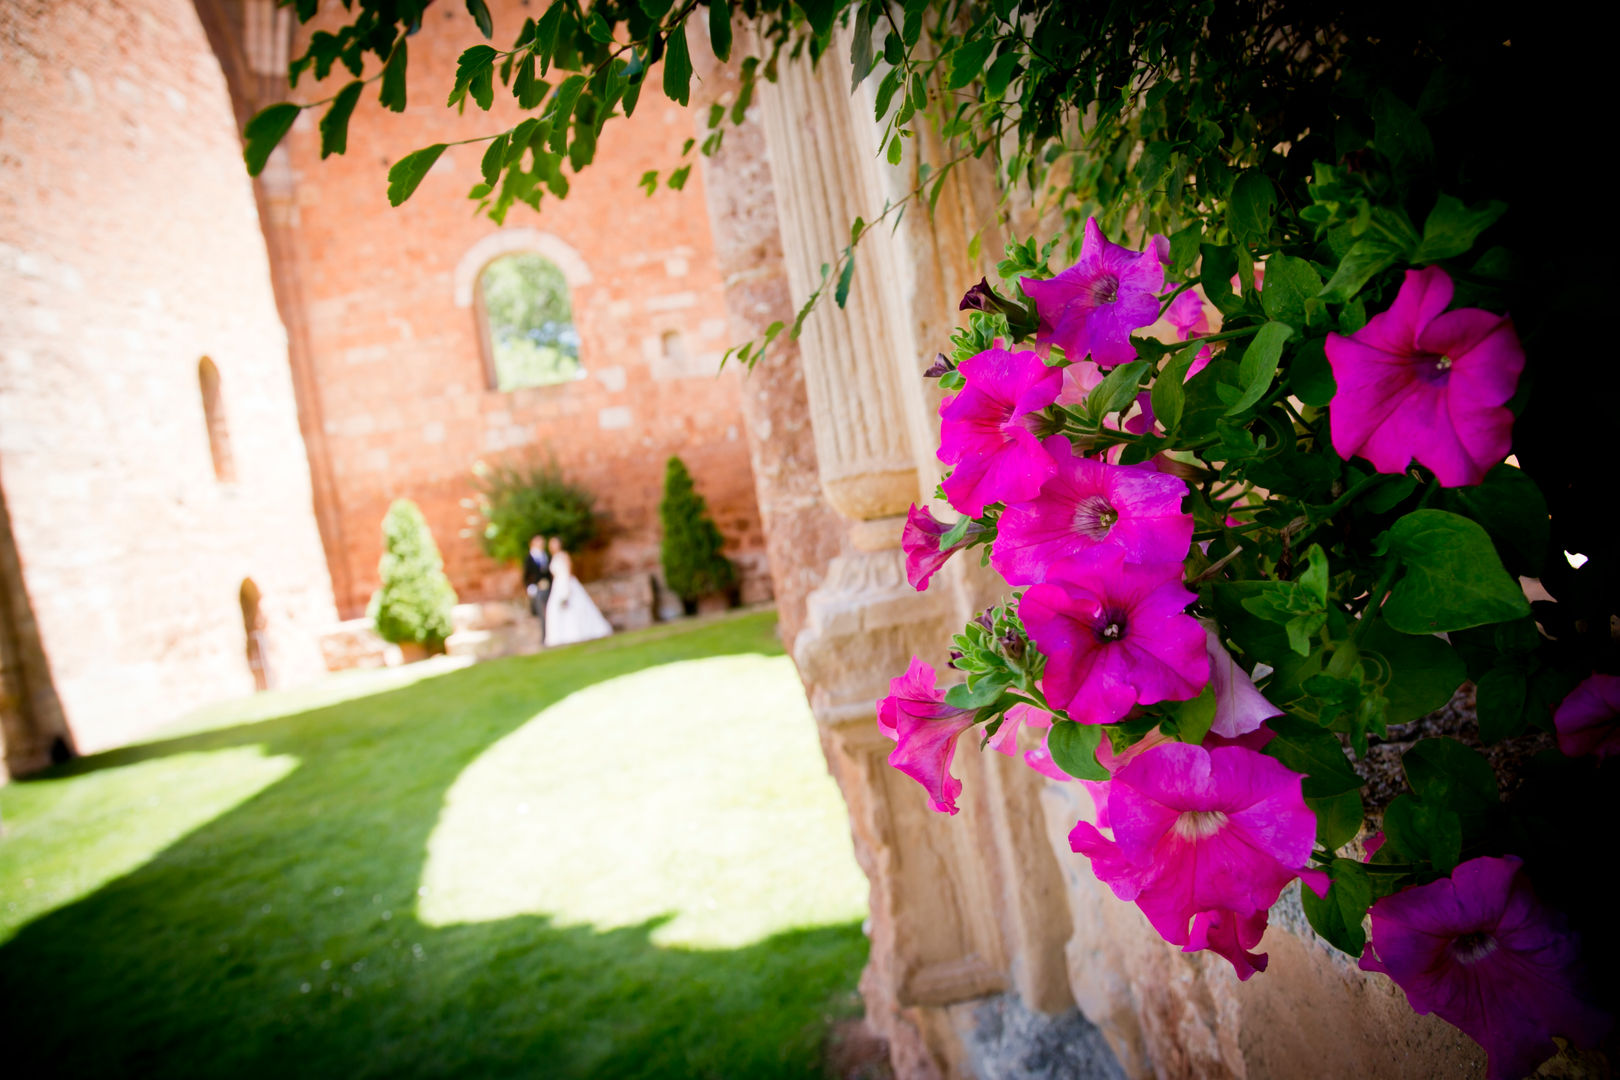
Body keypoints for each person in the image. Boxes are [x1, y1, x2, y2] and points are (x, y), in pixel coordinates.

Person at [544, 536, 612, 646]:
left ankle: (581, 632)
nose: (553, 546)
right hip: (557, 586)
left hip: (567, 583)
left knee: (575, 607)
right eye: (551, 544)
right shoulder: (552, 558)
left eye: (555, 543)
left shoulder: (564, 555)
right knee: (555, 610)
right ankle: (562, 636)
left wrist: (566, 590)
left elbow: (568, 571)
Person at [522, 534, 553, 643]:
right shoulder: (529, 558)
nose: (541, 543)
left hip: (549, 588)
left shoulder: (546, 555)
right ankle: (545, 637)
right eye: (538, 541)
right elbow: (526, 576)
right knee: (542, 614)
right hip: (538, 589)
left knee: (552, 611)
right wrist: (530, 587)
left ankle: (553, 634)